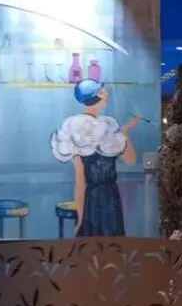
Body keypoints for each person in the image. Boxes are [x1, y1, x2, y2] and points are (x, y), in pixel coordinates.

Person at [51, 79, 139, 236]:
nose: (107, 94)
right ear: (97, 95)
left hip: (104, 197)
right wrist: (80, 218)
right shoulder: (81, 126)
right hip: (100, 199)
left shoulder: (105, 124)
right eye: (103, 91)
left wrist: (125, 131)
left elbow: (130, 160)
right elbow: (80, 179)